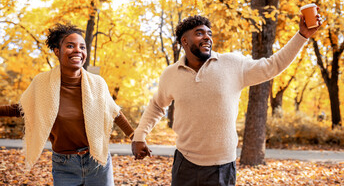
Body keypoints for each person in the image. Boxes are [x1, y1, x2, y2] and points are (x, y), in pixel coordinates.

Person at [132, 13, 322, 186]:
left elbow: (272, 66)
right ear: (185, 41)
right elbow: (157, 105)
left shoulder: (233, 64)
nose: (207, 37)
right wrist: (140, 135)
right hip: (185, 164)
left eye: (209, 33)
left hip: (221, 167)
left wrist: (302, 36)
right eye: (199, 33)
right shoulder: (171, 74)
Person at [0, 23, 134, 186]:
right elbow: (22, 108)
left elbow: (115, 112)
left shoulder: (97, 83)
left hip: (97, 162)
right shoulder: (42, 83)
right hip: (64, 166)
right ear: (57, 51)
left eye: (82, 47)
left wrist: (135, 137)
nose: (78, 50)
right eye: (70, 46)